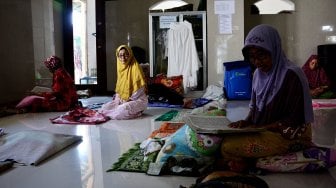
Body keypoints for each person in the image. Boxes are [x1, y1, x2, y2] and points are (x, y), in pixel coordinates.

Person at [219, 24, 315, 172]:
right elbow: (255, 108)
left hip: (290, 135)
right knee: (223, 140)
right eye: (252, 57)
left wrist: (261, 128)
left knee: (228, 147)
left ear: (274, 50)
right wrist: (246, 122)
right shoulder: (258, 74)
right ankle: (250, 161)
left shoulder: (292, 75)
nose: (257, 62)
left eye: (262, 55)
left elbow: (296, 119)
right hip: (266, 130)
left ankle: (249, 164)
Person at [99, 45, 148, 119]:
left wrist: (127, 100)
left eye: (126, 55)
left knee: (120, 111)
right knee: (104, 108)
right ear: (118, 56)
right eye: (120, 55)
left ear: (130, 55)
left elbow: (139, 90)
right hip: (122, 100)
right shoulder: (120, 68)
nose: (123, 58)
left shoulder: (136, 68)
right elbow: (119, 88)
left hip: (136, 100)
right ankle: (119, 110)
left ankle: (138, 112)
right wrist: (118, 100)